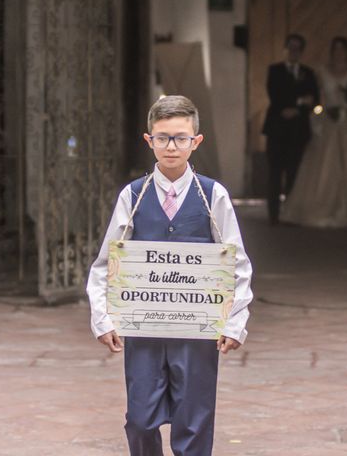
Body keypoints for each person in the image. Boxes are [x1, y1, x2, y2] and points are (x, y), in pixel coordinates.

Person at [86, 95, 253, 455]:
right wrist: (102, 318)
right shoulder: (132, 196)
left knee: (194, 419)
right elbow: (105, 263)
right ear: (149, 140)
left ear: (196, 141)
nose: (171, 146)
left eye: (180, 137)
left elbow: (236, 262)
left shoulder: (213, 195)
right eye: (162, 138)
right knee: (141, 420)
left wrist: (234, 322)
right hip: (144, 328)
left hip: (198, 331)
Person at [281, 36, 347, 227]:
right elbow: (318, 97)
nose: (339, 52)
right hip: (329, 118)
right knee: (325, 159)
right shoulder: (322, 71)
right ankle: (323, 205)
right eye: (336, 49)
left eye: (343, 49)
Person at [263, 33, 320, 225]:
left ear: (301, 52)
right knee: (274, 171)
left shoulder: (308, 73)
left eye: (297, 48)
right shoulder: (275, 70)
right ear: (285, 49)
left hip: (298, 128)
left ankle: (291, 212)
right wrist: (298, 100)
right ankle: (273, 214)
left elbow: (315, 99)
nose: (293, 51)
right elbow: (275, 94)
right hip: (277, 127)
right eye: (290, 47)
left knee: (295, 171)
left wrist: (298, 106)